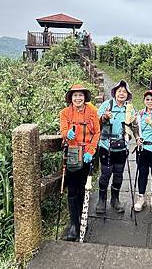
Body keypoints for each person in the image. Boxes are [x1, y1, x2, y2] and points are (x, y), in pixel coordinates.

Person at [60, 84, 100, 241]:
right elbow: (63, 131)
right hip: (72, 153)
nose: (78, 98)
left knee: (84, 188)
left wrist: (91, 151)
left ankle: (83, 219)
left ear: (85, 97)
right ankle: (74, 225)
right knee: (72, 190)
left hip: (87, 154)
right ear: (71, 98)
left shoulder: (92, 112)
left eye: (80, 95)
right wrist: (66, 134)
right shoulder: (64, 113)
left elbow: (97, 132)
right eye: (75, 95)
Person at [95, 80, 136, 214]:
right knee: (105, 174)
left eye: (124, 92)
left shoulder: (129, 109)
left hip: (122, 147)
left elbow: (134, 126)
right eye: (119, 91)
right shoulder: (107, 105)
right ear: (115, 93)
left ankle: (115, 199)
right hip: (106, 146)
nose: (122, 94)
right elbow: (96, 123)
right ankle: (101, 200)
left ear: (127, 95)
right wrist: (104, 117)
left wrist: (136, 133)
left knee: (118, 175)